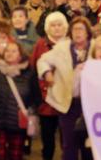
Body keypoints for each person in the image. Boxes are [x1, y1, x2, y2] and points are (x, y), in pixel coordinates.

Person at [38, 17, 92, 160]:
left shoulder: (95, 48)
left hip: (90, 104)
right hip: (68, 103)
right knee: (69, 144)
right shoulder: (63, 48)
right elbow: (42, 60)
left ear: (87, 32)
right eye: (75, 29)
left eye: (81, 29)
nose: (78, 32)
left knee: (89, 145)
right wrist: (47, 72)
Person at [0, 40, 41, 160]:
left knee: (16, 155)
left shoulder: (29, 73)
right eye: (7, 50)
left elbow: (36, 97)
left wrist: (29, 112)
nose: (9, 53)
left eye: (13, 51)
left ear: (20, 54)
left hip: (18, 122)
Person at [30, 11, 68, 160]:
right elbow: (33, 69)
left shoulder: (70, 44)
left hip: (65, 100)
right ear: (47, 28)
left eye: (59, 25)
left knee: (66, 140)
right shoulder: (40, 44)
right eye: (53, 25)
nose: (57, 28)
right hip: (46, 100)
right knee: (48, 140)